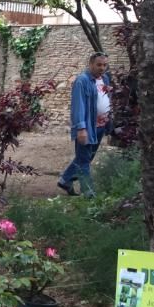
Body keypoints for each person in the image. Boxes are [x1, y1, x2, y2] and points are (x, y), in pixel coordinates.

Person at [58, 52, 113, 198]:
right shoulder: (82, 81)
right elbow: (78, 106)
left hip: (101, 126)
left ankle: (65, 180)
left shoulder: (105, 79)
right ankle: (89, 194)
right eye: (98, 65)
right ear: (90, 65)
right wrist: (81, 128)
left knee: (85, 158)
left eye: (104, 65)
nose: (102, 68)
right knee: (84, 161)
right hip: (88, 127)